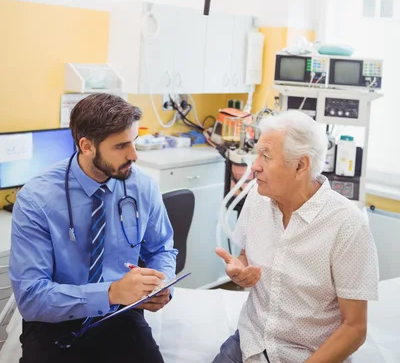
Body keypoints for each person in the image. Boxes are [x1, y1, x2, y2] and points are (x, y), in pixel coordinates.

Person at [9, 93, 177, 363]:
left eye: (133, 142)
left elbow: (162, 249)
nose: (133, 155)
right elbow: (32, 298)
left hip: (122, 313)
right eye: (121, 146)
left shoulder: (143, 187)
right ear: (87, 146)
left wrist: (162, 282)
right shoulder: (36, 199)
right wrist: (110, 292)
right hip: (55, 320)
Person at [213, 110, 379, 363]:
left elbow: (354, 329)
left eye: (266, 156)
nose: (255, 165)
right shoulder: (257, 198)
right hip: (251, 343)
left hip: (309, 355)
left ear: (301, 165)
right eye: (257, 153)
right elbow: (246, 255)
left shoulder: (347, 225)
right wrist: (241, 270)